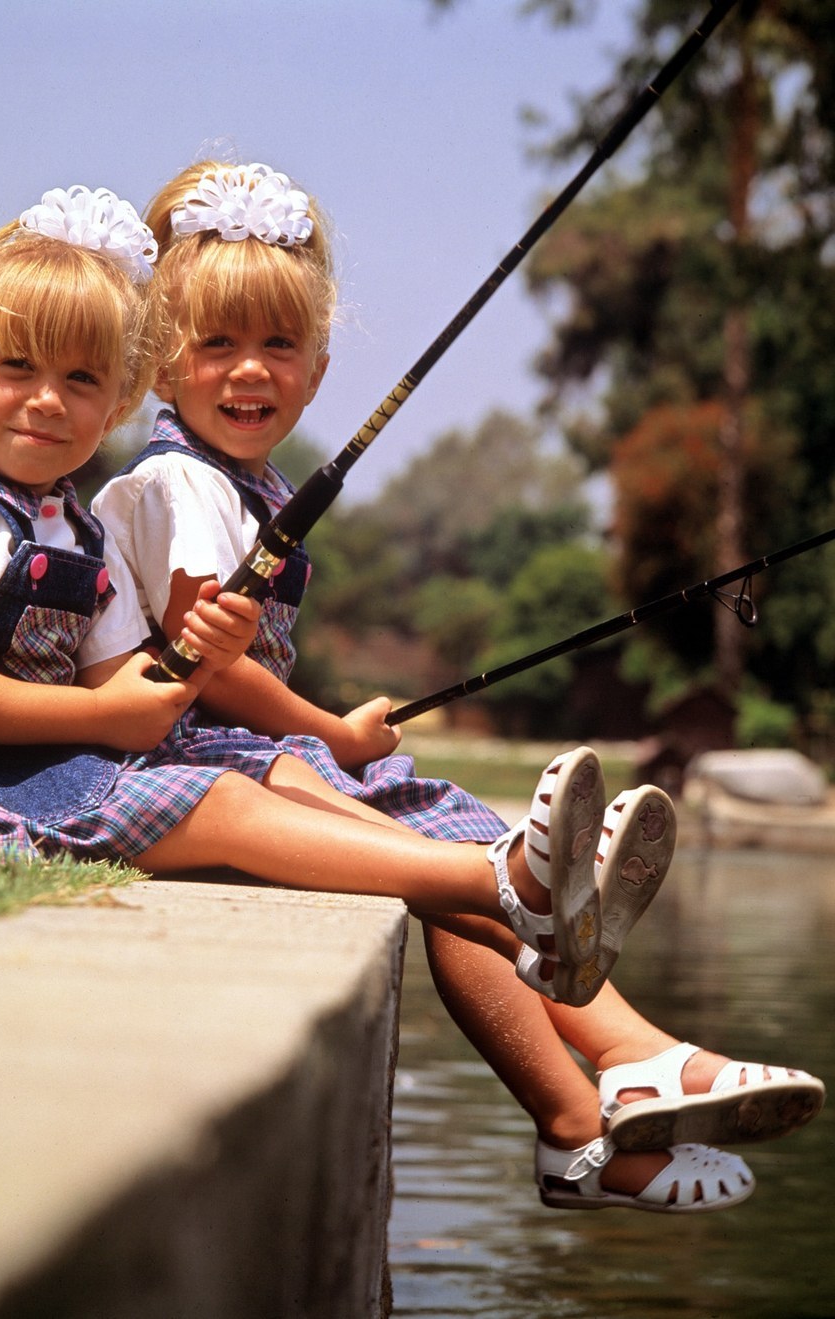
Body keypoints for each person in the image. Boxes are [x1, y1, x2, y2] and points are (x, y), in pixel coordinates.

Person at [93, 160, 825, 1211]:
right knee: (467, 868)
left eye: (278, 346)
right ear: (162, 365)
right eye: (216, 344)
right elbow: (208, 672)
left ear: (318, 367)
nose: (249, 370)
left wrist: (330, 731)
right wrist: (332, 737)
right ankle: (616, 1077)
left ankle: (601, 1095)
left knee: (463, 848)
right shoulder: (175, 484)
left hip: (254, 750)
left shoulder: (234, 484)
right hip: (205, 760)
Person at [0, 182, 651, 1014]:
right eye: (18, 366)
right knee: (219, 796)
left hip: (53, 762)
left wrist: (195, 656)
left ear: (114, 405)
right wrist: (105, 719)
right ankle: (502, 879)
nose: (47, 398)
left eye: (80, 377)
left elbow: (122, 681)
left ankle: (530, 922)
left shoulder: (75, 527)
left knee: (239, 790)